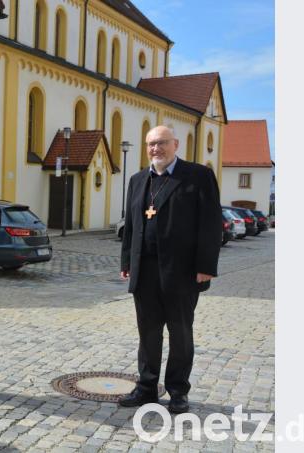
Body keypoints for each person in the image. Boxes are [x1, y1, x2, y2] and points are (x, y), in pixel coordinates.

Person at [118, 125, 222, 414]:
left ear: (175, 144)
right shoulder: (139, 180)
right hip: (146, 272)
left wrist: (206, 266)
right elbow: (131, 227)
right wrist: (127, 262)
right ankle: (146, 387)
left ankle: (177, 391)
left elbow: (211, 223)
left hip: (183, 272)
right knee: (148, 333)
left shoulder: (198, 176)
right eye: (151, 144)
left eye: (162, 143)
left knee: (180, 333)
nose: (156, 149)